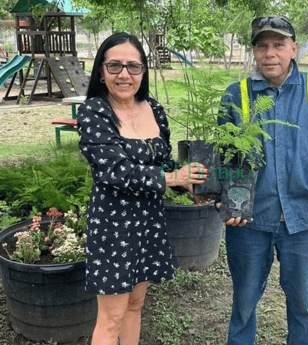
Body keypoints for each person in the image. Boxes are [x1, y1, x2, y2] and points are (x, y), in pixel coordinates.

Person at [217, 16, 308, 345]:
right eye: (262, 45)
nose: (270, 53)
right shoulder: (237, 95)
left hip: (302, 217)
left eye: (278, 44)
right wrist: (229, 199)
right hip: (251, 220)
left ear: (293, 49)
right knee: (244, 303)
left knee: (303, 303)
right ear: (254, 52)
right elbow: (227, 154)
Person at [76, 32, 208, 345]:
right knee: (111, 318)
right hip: (113, 226)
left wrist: (188, 184)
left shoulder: (154, 109)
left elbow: (163, 167)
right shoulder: (94, 112)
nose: (124, 74)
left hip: (149, 222)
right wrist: (173, 178)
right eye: (115, 66)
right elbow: (115, 171)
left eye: (133, 67)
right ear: (101, 71)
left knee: (134, 306)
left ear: (143, 71)